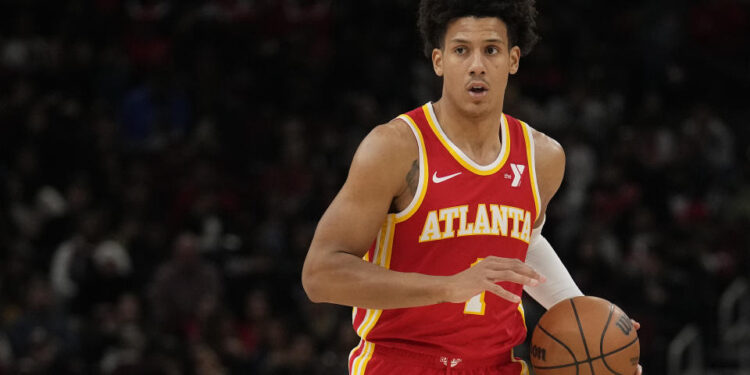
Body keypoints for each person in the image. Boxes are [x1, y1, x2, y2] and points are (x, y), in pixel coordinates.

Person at [302, 1, 642, 374]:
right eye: (461, 50)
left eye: (491, 50)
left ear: (513, 60)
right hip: (403, 363)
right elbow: (321, 275)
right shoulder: (396, 148)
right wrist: (448, 287)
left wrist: (592, 326)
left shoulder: (542, 158)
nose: (476, 64)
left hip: (499, 366)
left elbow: (522, 245)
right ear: (439, 61)